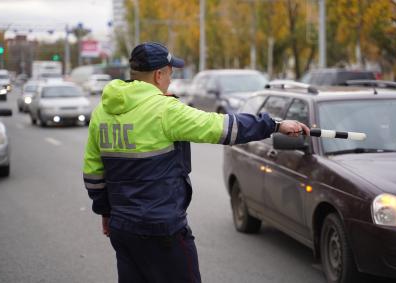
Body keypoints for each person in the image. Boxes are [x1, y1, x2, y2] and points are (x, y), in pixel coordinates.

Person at [82, 42, 309, 283]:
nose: (171, 79)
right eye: (170, 73)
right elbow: (222, 128)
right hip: (162, 229)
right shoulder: (164, 110)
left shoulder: (102, 112)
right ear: (159, 75)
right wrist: (273, 125)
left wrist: (106, 211)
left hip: (122, 228)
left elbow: (93, 173)